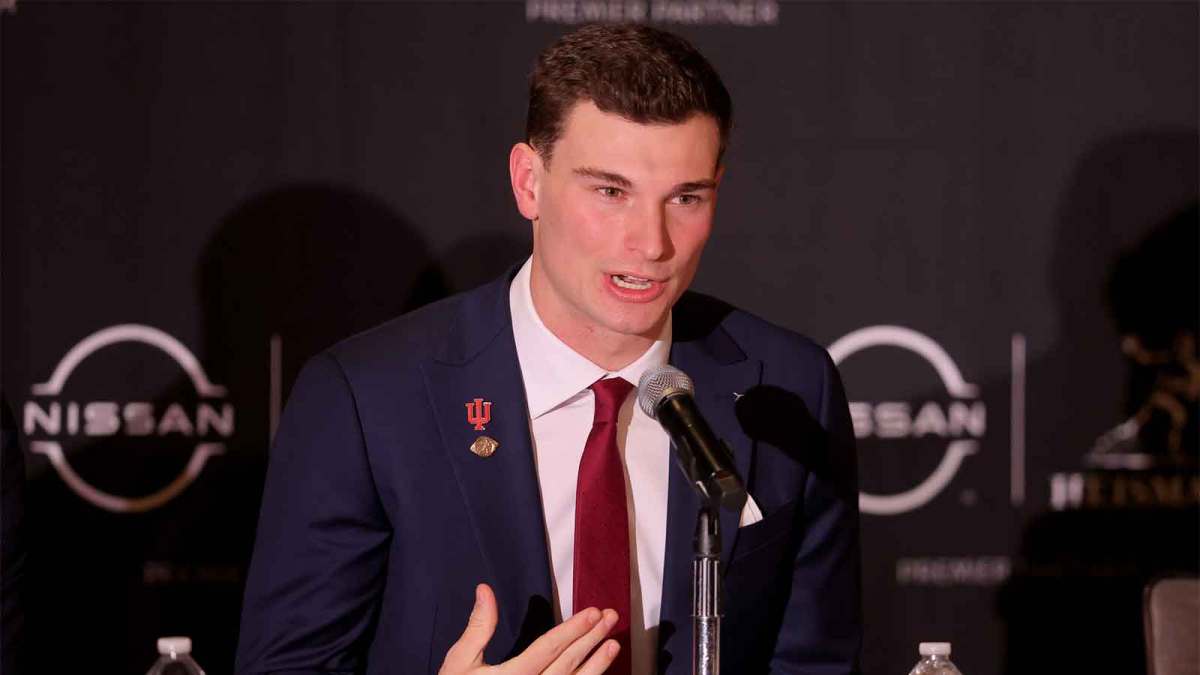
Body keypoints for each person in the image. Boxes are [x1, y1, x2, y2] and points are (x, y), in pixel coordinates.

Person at [235, 24, 861, 675]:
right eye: (610, 192)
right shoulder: (366, 397)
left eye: (686, 197)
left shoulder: (789, 385)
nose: (651, 243)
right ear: (529, 182)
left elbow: (817, 661)